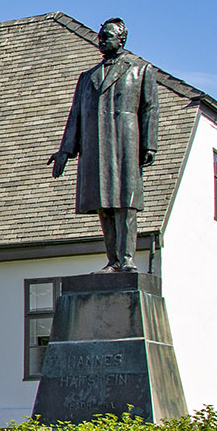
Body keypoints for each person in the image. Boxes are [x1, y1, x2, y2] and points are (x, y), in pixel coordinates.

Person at [48, 17, 158, 273]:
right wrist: (65, 149)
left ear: (122, 39)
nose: (102, 40)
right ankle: (113, 260)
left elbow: (150, 109)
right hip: (95, 144)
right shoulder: (88, 77)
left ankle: (127, 258)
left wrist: (149, 144)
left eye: (108, 36)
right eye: (100, 36)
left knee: (125, 202)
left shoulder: (140, 70)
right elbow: (75, 114)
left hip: (125, 142)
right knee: (104, 203)